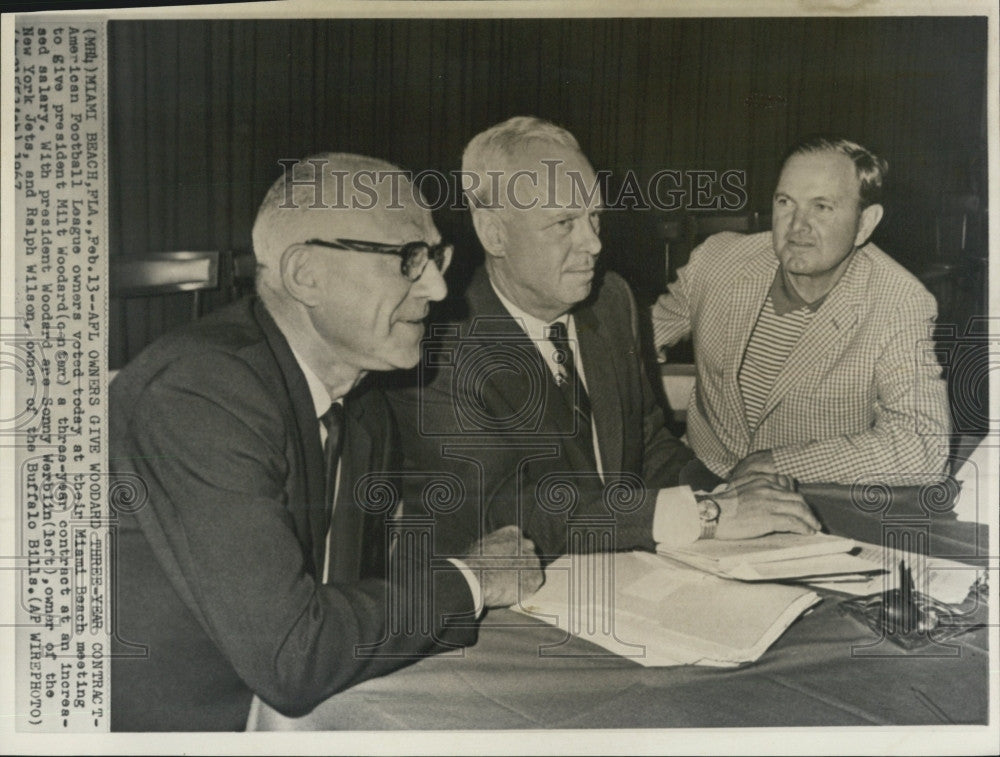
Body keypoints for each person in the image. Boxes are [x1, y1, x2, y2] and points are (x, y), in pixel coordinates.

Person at [109, 152, 542, 731]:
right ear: (305, 274)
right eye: (409, 259)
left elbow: (347, 607)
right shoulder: (201, 393)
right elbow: (296, 655)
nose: (439, 288)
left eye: (436, 256)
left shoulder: (359, 403)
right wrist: (471, 582)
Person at [384, 116, 820, 563]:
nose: (593, 242)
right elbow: (512, 510)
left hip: (622, 571)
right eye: (564, 223)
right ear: (494, 232)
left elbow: (647, 445)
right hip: (503, 603)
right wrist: (707, 513)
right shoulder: (436, 344)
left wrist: (725, 490)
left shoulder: (610, 301)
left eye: (594, 216)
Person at [651, 137, 950, 484]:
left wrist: (782, 463)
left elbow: (924, 446)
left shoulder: (898, 300)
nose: (797, 226)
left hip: (808, 500)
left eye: (822, 207)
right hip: (698, 478)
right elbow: (628, 340)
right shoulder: (717, 261)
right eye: (785, 202)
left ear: (865, 223)